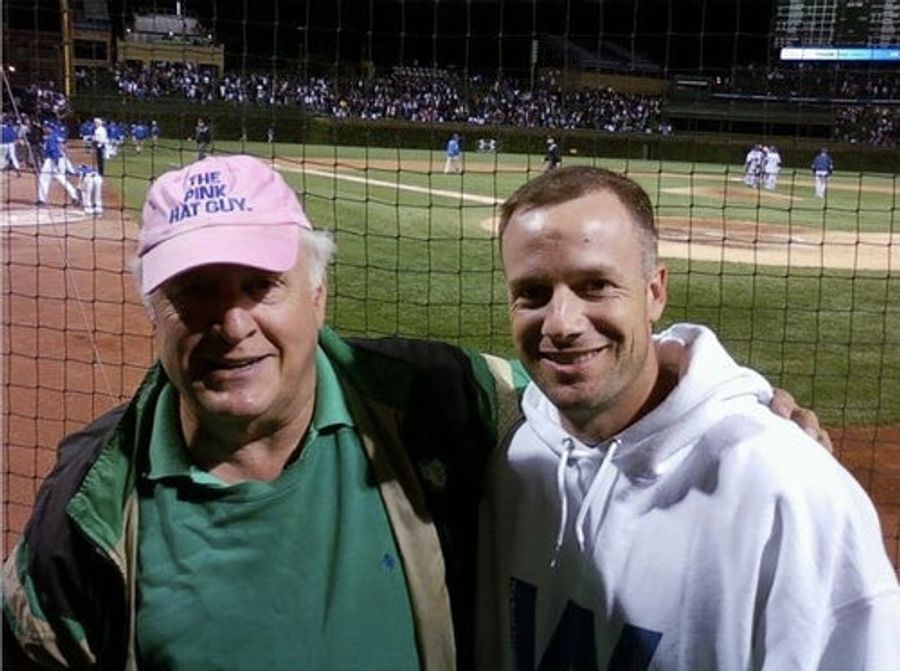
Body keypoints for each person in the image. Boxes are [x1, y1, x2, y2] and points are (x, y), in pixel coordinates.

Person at [2, 156, 829, 670]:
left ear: (319, 294)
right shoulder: (85, 508)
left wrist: (738, 409)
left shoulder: (432, 398)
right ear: (155, 309)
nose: (232, 323)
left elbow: (601, 383)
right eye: (193, 292)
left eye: (261, 285)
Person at [476, 166, 900, 670]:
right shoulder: (516, 458)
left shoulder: (789, 490)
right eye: (533, 293)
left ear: (655, 291)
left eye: (595, 285)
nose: (561, 323)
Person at [36, 123, 80, 207]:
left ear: (49, 128)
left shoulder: (51, 138)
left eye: (46, 127)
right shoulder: (57, 136)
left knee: (44, 179)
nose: (44, 129)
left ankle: (42, 200)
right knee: (62, 179)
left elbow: (53, 151)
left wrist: (56, 163)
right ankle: (75, 197)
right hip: (60, 159)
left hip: (52, 161)